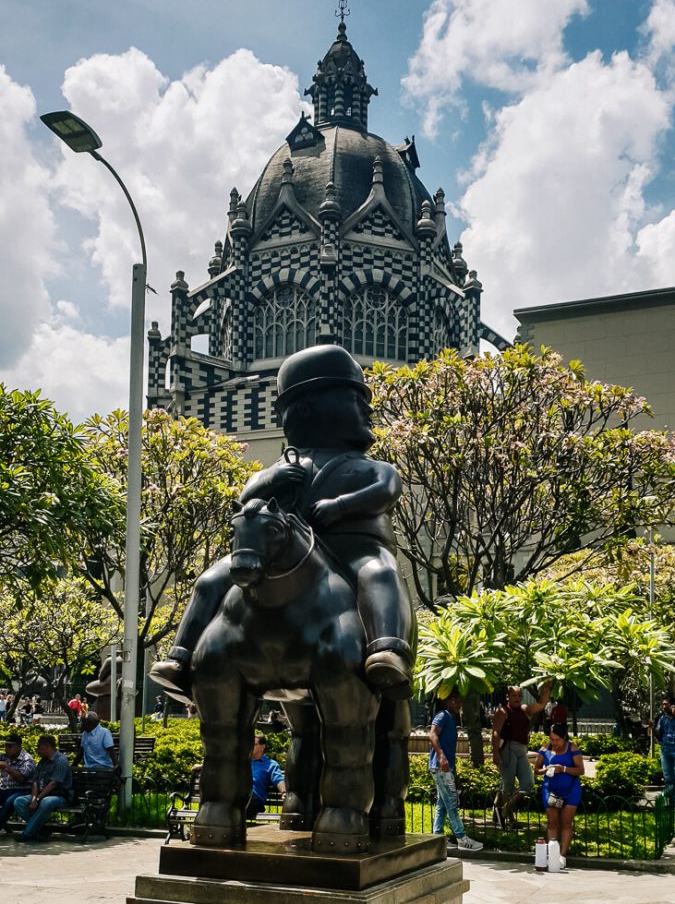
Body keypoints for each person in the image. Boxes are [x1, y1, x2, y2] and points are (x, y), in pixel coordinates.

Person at [151, 345, 415, 704]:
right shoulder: (281, 467)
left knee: (381, 573)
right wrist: (271, 480)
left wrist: (340, 507)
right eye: (355, 399)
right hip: (287, 555)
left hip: (354, 547)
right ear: (308, 410)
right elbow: (248, 505)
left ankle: (388, 650)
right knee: (211, 580)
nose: (367, 409)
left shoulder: (370, 467)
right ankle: (181, 659)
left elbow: (386, 490)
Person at [492, 681, 552, 828]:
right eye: (514, 695)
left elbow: (542, 704)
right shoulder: (503, 712)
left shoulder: (525, 709)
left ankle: (502, 809)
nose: (517, 698)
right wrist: (495, 754)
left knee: (528, 783)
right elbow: (495, 733)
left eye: (519, 695)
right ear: (508, 697)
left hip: (522, 749)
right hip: (508, 749)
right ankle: (509, 819)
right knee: (508, 785)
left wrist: (547, 686)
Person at [429, 694, 483, 852]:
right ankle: (461, 838)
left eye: (459, 701)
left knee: (443, 804)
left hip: (445, 767)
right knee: (452, 802)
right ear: (447, 701)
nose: (458, 703)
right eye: (454, 700)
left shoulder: (452, 719)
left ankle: (437, 838)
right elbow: (432, 734)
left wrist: (454, 773)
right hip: (440, 766)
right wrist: (441, 757)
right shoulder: (442, 715)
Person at [534, 722, 584, 870]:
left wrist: (563, 769)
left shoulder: (572, 748)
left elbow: (580, 770)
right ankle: (552, 854)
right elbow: (537, 770)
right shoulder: (545, 749)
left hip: (571, 789)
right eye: (552, 739)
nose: (554, 743)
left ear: (564, 738)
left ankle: (562, 855)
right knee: (552, 822)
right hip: (551, 789)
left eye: (557, 740)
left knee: (566, 822)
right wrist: (546, 770)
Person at [11, 735, 73, 842]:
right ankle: (40, 828)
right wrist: (34, 798)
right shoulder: (42, 761)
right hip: (42, 794)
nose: (37, 750)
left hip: (60, 796)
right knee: (19, 801)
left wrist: (38, 799)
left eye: (39, 747)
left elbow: (54, 784)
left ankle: (27, 834)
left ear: (48, 747)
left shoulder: (61, 761)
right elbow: (35, 781)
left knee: (46, 802)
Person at [0, 733, 37, 829]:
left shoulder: (27, 760)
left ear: (18, 747)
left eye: (10, 746)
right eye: (5, 746)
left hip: (21, 791)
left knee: (10, 802)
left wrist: (7, 768)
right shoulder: (4, 756)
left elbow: (21, 778)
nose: (6, 749)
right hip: (5, 789)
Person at [247, 735, 286, 819]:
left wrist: (284, 792)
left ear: (262, 747)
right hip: (240, 797)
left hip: (254, 799)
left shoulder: (270, 764)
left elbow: (278, 779)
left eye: (254, 744)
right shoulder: (243, 762)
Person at [655, 700, 675, 799]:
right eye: (662, 704)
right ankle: (670, 801)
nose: (663, 706)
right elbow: (658, 735)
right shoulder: (662, 719)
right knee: (668, 776)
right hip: (666, 750)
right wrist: (652, 728)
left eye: (666, 704)